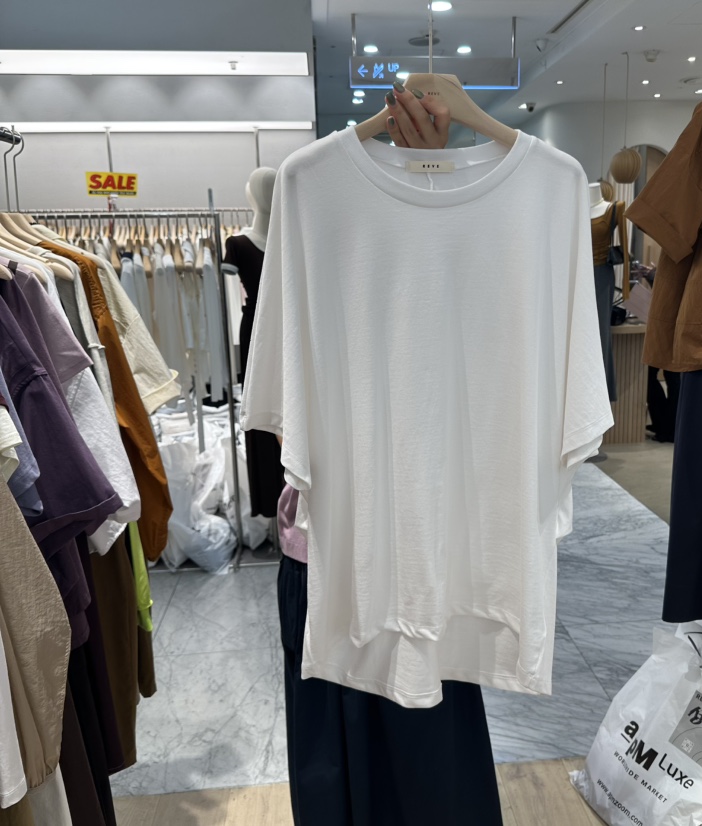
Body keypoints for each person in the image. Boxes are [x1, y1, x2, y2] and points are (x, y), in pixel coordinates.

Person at [276, 84, 504, 826]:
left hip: (422, 539)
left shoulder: (481, 216)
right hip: (340, 543)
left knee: (423, 746)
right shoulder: (310, 190)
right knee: (386, 756)